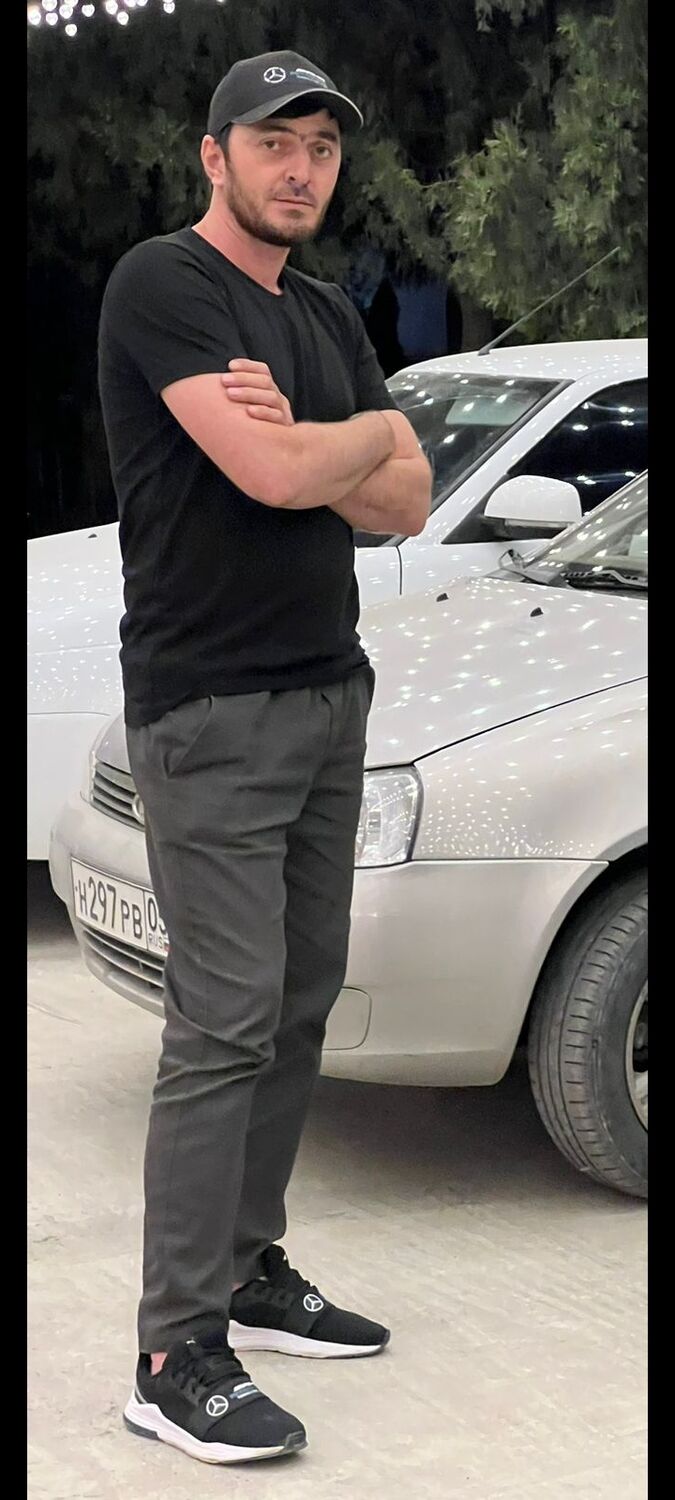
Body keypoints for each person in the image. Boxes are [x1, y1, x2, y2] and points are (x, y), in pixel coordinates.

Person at [98, 50, 431, 1467]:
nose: (301, 169)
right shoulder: (162, 286)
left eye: (322, 148)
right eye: (273, 142)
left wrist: (342, 441)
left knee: (298, 1004)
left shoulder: (323, 313)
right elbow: (280, 476)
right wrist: (365, 437)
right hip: (212, 711)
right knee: (225, 1019)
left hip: (326, 697)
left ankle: (246, 1268)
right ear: (214, 155)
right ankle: (174, 1350)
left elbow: (404, 502)